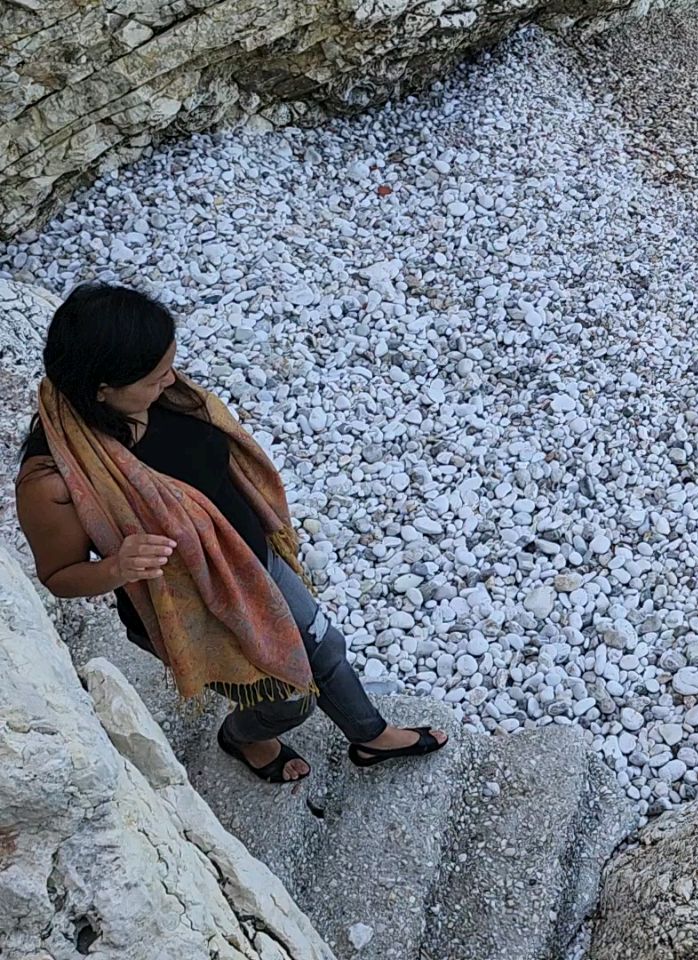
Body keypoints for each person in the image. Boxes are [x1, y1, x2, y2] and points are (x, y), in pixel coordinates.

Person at [14, 281, 446, 783]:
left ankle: (370, 736)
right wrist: (117, 566)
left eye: (169, 363)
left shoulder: (165, 398)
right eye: (155, 376)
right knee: (287, 702)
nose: (172, 378)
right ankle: (243, 737)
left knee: (326, 649)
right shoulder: (51, 483)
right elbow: (58, 576)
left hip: (253, 562)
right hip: (194, 608)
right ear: (102, 390)